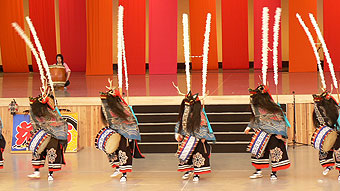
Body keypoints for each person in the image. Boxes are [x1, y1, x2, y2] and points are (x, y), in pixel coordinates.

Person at [96, 84, 144, 182]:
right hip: (115, 132)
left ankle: (124, 174)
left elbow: (131, 120)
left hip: (124, 133)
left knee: (123, 151)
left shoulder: (123, 107)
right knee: (112, 151)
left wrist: (130, 132)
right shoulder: (108, 108)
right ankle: (117, 168)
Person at [245, 85, 290, 180]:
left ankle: (274, 172)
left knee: (275, 152)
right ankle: (258, 171)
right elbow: (255, 118)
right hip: (261, 132)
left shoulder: (273, 107)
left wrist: (280, 133)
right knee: (258, 152)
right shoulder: (256, 107)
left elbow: (281, 120)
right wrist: (249, 127)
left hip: (274, 133)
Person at [27, 86, 68, 181]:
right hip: (43, 134)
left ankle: (50, 174)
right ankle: (36, 172)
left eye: (51, 100)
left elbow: (60, 121)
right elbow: (35, 121)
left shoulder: (55, 110)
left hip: (54, 136)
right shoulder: (40, 111)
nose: (50, 102)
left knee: (52, 153)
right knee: (37, 151)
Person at [175, 91, 215, 182]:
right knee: (186, 155)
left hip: (197, 138)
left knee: (197, 155)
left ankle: (196, 173)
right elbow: (179, 123)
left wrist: (203, 137)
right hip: (186, 137)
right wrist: (178, 133)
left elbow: (204, 125)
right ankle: (188, 170)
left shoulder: (200, 114)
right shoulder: (184, 113)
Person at [311, 91, 340, 180]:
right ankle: (328, 165)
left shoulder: (335, 108)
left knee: (338, 151)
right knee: (325, 148)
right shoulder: (320, 109)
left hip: (338, 132)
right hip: (330, 131)